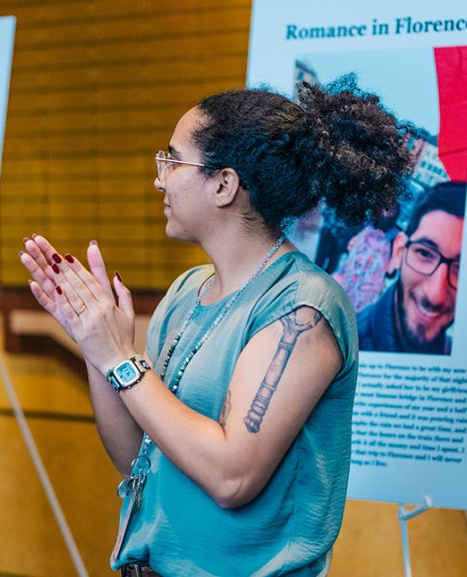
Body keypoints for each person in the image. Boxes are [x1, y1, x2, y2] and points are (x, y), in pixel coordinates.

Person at [21, 78, 412, 576]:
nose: (160, 179)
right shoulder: (186, 291)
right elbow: (135, 458)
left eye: (172, 161)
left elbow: (233, 477)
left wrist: (122, 359)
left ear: (225, 184)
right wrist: (96, 347)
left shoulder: (303, 307)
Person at [356, 181, 466, 355]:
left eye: (462, 268)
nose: (435, 295)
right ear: (399, 252)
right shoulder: (344, 351)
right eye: (424, 253)